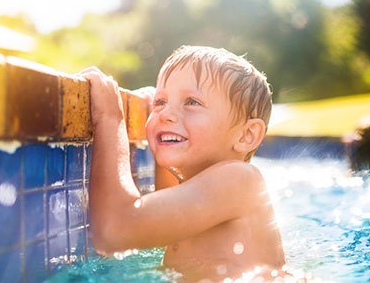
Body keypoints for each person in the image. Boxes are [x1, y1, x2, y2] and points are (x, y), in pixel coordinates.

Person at [80, 45, 285, 281]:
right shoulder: (199, 188)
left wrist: (109, 117)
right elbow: (160, 210)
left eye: (192, 102)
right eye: (161, 102)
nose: (166, 114)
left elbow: (114, 232)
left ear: (246, 135)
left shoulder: (241, 180)